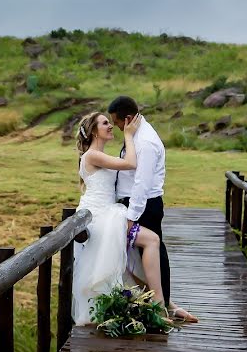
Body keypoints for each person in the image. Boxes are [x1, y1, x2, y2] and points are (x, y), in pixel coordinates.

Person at [72, 111, 169, 325]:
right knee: (151, 240)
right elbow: (131, 163)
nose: (110, 126)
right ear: (93, 131)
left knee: (129, 262)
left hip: (108, 210)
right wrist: (129, 134)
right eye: (104, 123)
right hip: (99, 216)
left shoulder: (99, 155)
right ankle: (160, 306)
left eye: (109, 122)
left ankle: (160, 304)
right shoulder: (92, 155)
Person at [108, 95, 197, 323]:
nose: (116, 127)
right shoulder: (137, 134)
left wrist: (131, 216)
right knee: (144, 255)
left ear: (127, 118)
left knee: (154, 252)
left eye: (117, 122)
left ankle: (162, 304)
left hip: (144, 205)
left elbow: (142, 183)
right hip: (139, 204)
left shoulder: (145, 142)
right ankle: (163, 303)